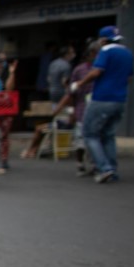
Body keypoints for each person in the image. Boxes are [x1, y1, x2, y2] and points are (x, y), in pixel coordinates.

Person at [72, 26, 134, 184]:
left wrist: (79, 83)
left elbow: (96, 72)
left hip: (102, 98)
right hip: (119, 100)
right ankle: (112, 169)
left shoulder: (106, 50)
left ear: (103, 40)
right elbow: (129, 79)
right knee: (108, 135)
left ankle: (104, 168)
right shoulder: (128, 53)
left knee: (90, 134)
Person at [49, 42, 99, 176]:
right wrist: (62, 109)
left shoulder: (102, 69)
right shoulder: (78, 70)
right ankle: (80, 164)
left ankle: (96, 165)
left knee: (94, 139)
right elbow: (70, 91)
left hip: (97, 110)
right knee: (81, 139)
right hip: (82, 109)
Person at [23, 45, 76, 159]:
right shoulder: (66, 66)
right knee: (55, 121)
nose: (73, 54)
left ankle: (34, 149)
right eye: (72, 52)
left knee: (49, 123)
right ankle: (36, 149)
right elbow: (65, 82)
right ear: (67, 54)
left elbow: (49, 79)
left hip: (53, 96)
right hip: (62, 98)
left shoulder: (53, 63)